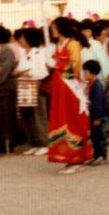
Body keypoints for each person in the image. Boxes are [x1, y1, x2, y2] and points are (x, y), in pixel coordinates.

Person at [47, 17, 93, 174]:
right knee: (61, 119)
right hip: (59, 88)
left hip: (70, 88)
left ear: (61, 28)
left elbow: (74, 66)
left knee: (72, 121)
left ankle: (77, 157)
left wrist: (56, 65)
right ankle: (66, 156)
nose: (52, 30)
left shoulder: (73, 44)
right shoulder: (57, 45)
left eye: (54, 27)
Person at [13, 27, 50, 155]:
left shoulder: (39, 53)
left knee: (38, 115)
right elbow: (19, 68)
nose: (21, 41)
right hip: (23, 87)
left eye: (23, 38)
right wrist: (17, 72)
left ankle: (44, 142)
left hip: (35, 86)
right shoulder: (23, 54)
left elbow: (43, 72)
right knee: (26, 116)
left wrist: (30, 74)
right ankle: (33, 142)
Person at [0, 26, 18, 155]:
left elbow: (3, 71)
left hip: (5, 88)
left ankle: (9, 143)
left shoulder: (7, 51)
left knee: (6, 117)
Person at [84, 60, 109, 166]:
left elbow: (98, 103)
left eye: (86, 72)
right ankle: (96, 155)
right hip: (92, 115)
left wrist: (98, 117)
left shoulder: (97, 86)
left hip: (97, 116)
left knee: (99, 136)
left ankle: (102, 156)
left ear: (92, 73)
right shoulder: (91, 84)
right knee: (94, 137)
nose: (84, 74)